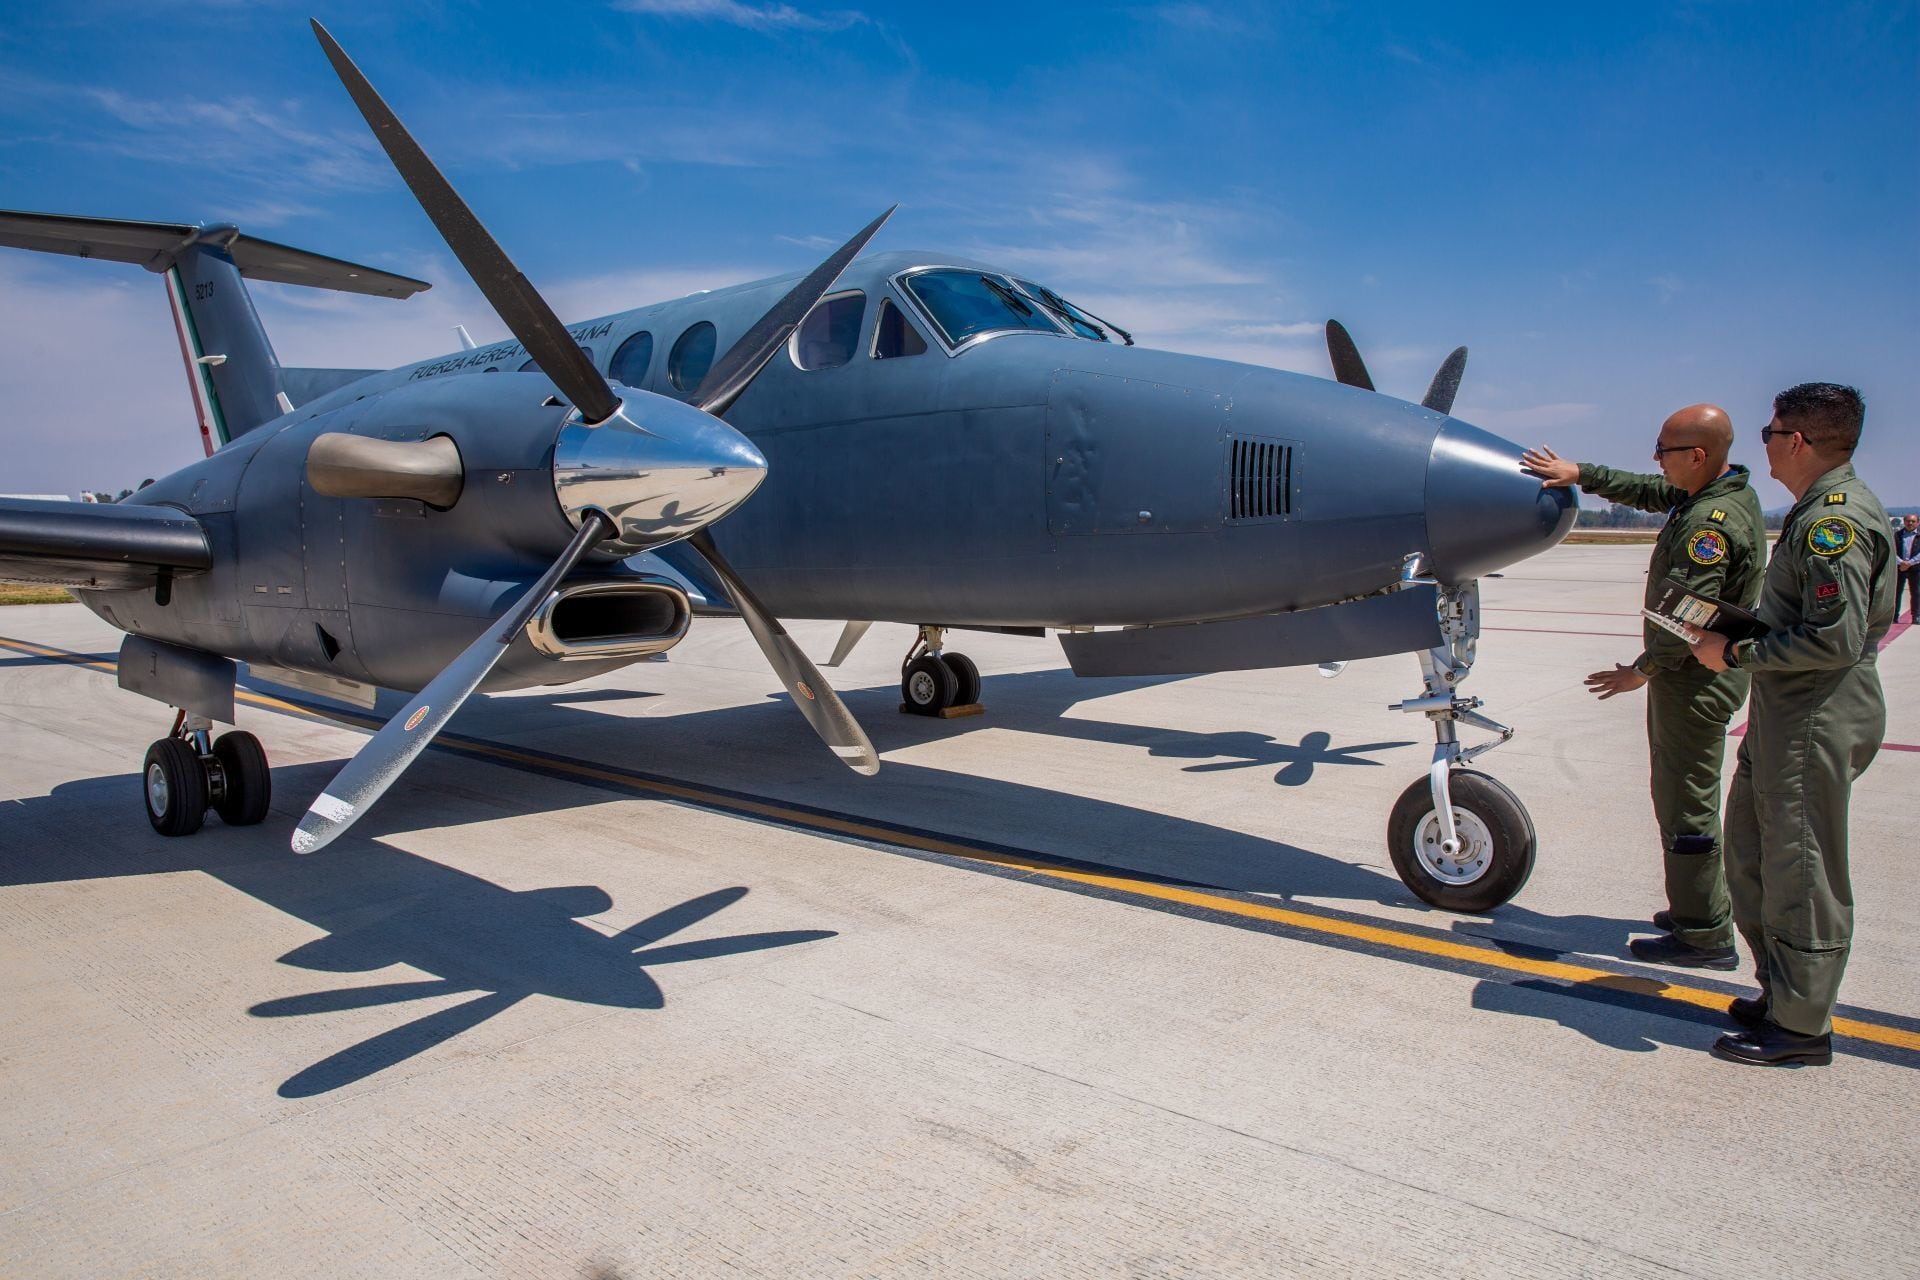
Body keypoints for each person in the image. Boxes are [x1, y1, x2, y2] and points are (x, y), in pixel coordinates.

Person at [1688, 383, 1891, 1067]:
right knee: (1752, 853)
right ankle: (1782, 991)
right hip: (1788, 711)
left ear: (1796, 441)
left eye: (1770, 434)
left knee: (1800, 867)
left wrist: (1734, 653)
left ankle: (1802, 1027)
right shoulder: (1813, 512)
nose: (1766, 446)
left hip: (1815, 714)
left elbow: (1836, 638)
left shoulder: (1836, 521)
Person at [1521, 405, 1764, 970]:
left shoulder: (1709, 525)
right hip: (1699, 675)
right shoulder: (1723, 492)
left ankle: (1704, 935)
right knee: (1683, 796)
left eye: (1664, 450)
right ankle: (1695, 907)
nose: (1656, 460)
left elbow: (1687, 616)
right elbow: (1649, 490)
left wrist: (1642, 670)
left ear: (1697, 456)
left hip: (1691, 681)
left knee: (1685, 802)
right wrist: (1582, 473)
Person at [1894, 514, 1919, 623]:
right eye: (1908, 521)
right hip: (1900, 568)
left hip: (1916, 568)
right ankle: (1894, 616)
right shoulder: (1897, 535)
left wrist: (1909, 563)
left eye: (1913, 521)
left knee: (1916, 593)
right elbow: (1892, 550)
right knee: (1896, 592)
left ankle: (1916, 616)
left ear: (1918, 522)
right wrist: (1901, 562)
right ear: (1904, 522)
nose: (1910, 523)